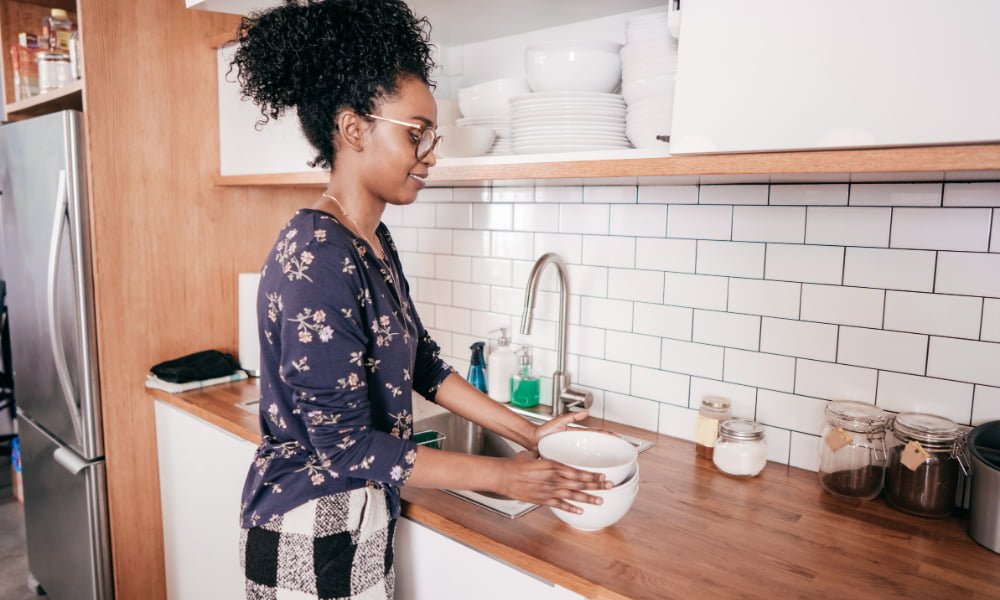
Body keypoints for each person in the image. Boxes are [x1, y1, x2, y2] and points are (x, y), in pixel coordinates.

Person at [231, 1, 609, 598]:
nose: (432, 152)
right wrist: (503, 477)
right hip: (309, 525)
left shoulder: (371, 240)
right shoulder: (316, 256)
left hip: (362, 515)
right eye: (417, 133)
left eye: (431, 134)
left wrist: (529, 434)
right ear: (354, 129)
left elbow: (422, 363)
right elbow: (348, 445)